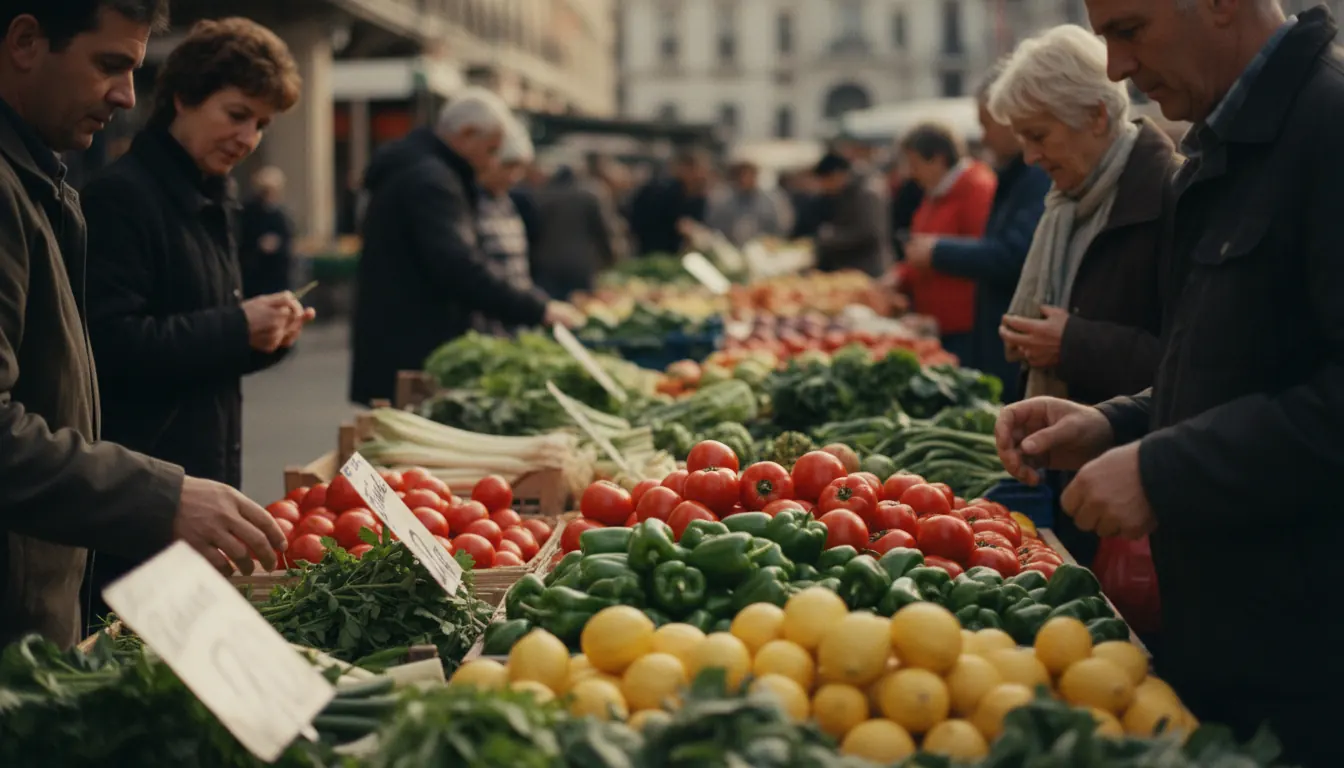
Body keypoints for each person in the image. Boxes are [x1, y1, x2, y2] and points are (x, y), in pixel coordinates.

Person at [997, 4, 1344, 764]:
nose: (1116, 66)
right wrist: (1117, 424)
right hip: (1235, 642)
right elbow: (1233, 369)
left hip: (1308, 668)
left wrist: (1165, 468)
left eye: (1129, 28)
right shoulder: (1231, 144)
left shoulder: (1327, 129)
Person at [0, 0, 286, 648]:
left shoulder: (47, 178)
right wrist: (161, 497)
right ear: (24, 42)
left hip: (67, 561)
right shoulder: (105, 193)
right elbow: (113, 343)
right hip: (49, 583)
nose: (128, 95)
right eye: (111, 64)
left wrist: (255, 339)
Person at [78, 17, 310, 626]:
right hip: (140, 498)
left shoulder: (215, 197)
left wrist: (268, 339)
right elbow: (110, 344)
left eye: (261, 123)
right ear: (183, 97)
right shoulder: (122, 197)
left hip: (202, 483)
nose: (249, 137)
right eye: (237, 113)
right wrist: (238, 327)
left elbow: (200, 334)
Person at [350, 88, 582, 406]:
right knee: (383, 444)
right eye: (490, 149)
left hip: (397, 345)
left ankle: (357, 460)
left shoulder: (419, 169)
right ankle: (355, 461)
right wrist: (537, 308)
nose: (489, 162)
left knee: (383, 439)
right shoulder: (433, 180)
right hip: (415, 350)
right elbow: (457, 265)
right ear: (467, 134)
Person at [902, 61, 1051, 402]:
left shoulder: (996, 182)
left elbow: (1007, 253)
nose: (982, 137)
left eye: (986, 124)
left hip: (982, 333)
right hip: (978, 331)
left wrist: (938, 252)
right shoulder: (1009, 177)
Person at [893, 123, 997, 364]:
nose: (911, 173)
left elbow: (986, 255)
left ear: (937, 159)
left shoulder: (978, 190)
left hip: (966, 327)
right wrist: (900, 276)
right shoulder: (935, 193)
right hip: (938, 323)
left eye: (914, 163)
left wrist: (938, 252)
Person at [474, 121, 540, 335]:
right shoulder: (471, 203)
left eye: (518, 167)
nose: (513, 176)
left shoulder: (507, 204)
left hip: (515, 322)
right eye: (507, 166)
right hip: (487, 327)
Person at [531, 163, 627, 301]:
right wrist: (611, 258)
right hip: (580, 263)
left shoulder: (542, 194)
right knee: (581, 308)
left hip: (547, 264)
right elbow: (604, 230)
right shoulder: (591, 193)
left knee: (554, 308)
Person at [811, 152, 891, 276]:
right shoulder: (845, 193)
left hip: (868, 269)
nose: (824, 188)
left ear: (837, 175)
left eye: (825, 182)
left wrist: (830, 237)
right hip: (850, 267)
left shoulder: (866, 193)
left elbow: (868, 232)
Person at [627, 147, 709, 256]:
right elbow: (643, 221)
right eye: (698, 169)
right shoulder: (658, 191)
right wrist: (676, 224)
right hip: (652, 251)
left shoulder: (699, 197)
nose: (702, 174)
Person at [705, 160, 792, 246]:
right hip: (731, 247)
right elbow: (715, 227)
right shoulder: (722, 200)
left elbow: (782, 226)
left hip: (765, 247)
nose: (745, 180)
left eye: (749, 176)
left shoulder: (771, 200)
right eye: (741, 176)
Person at [238, 165, 295, 298]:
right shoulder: (247, 212)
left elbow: (288, 240)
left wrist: (278, 245)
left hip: (276, 274)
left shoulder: (281, 214)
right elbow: (241, 240)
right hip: (254, 276)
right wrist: (258, 245)